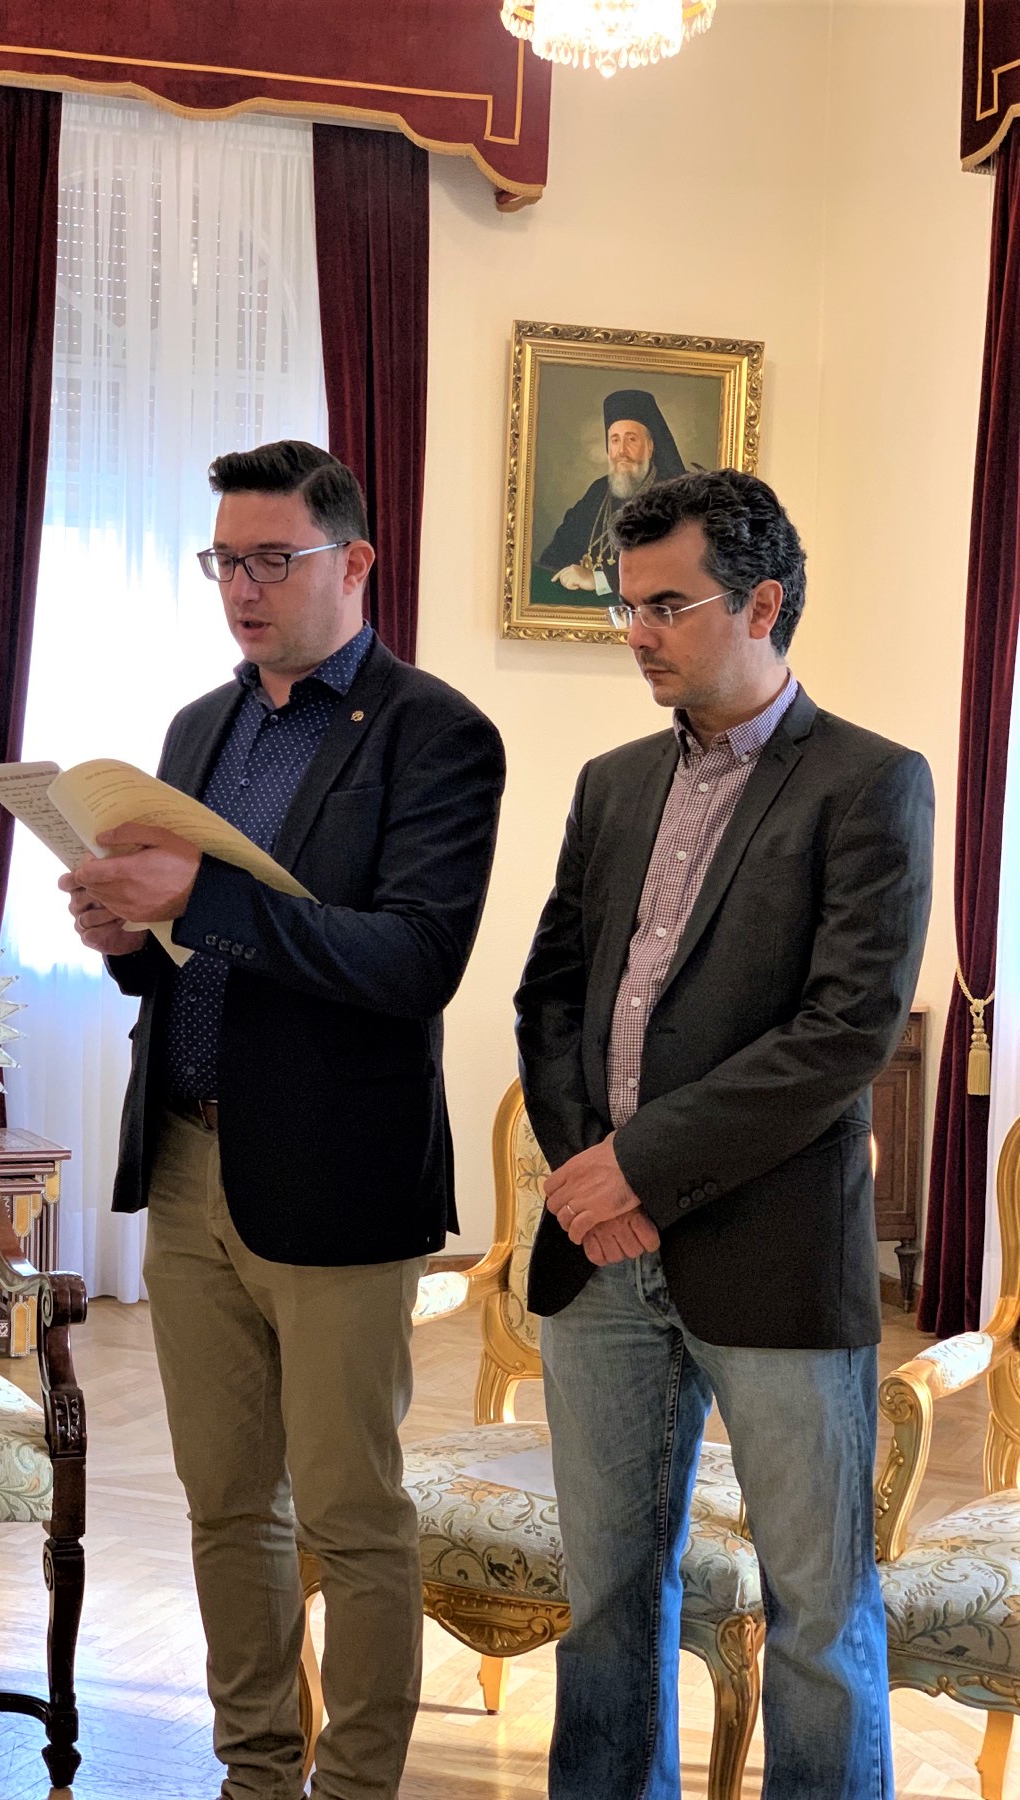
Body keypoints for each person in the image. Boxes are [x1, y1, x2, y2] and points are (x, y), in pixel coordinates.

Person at [60, 439, 505, 1800]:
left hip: (336, 1173)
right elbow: (190, 960)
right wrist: (124, 937)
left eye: (272, 560)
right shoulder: (201, 728)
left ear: (353, 562)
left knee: (351, 1513)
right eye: (224, 562)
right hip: (189, 1159)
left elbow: (413, 960)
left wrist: (199, 899)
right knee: (225, 1506)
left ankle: (356, 1786)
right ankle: (256, 1772)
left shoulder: (435, 734)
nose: (242, 589)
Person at [515, 468, 933, 1800]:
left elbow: (842, 1034)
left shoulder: (871, 782)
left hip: (772, 1254)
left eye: (666, 606)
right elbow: (549, 998)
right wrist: (590, 1180)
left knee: (816, 1614)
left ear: (761, 603)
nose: (636, 633)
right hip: (600, 1261)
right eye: (625, 605)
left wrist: (635, 1169)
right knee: (605, 1598)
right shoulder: (611, 783)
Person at [539, 388, 686, 596]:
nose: (622, 451)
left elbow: (671, 568)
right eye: (615, 440)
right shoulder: (599, 491)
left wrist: (599, 580)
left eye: (631, 439)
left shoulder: (674, 497)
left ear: (650, 447)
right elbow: (560, 547)